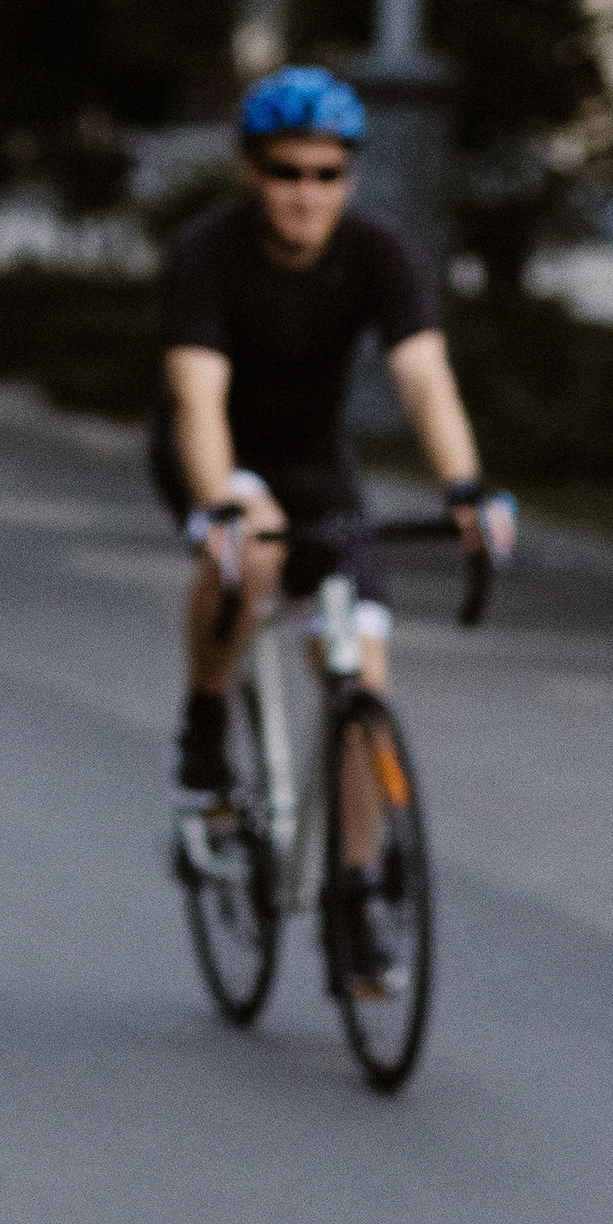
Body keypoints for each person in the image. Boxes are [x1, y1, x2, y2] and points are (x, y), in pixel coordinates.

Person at [149, 63, 513, 983]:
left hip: (318, 469)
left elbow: (424, 378)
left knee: (363, 671)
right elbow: (198, 397)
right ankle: (204, 723)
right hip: (215, 454)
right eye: (285, 172)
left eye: (326, 174)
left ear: (349, 177)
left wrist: (464, 487)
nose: (305, 194)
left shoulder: (381, 253)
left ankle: (350, 898)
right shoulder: (207, 254)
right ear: (251, 171)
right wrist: (222, 501)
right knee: (255, 556)